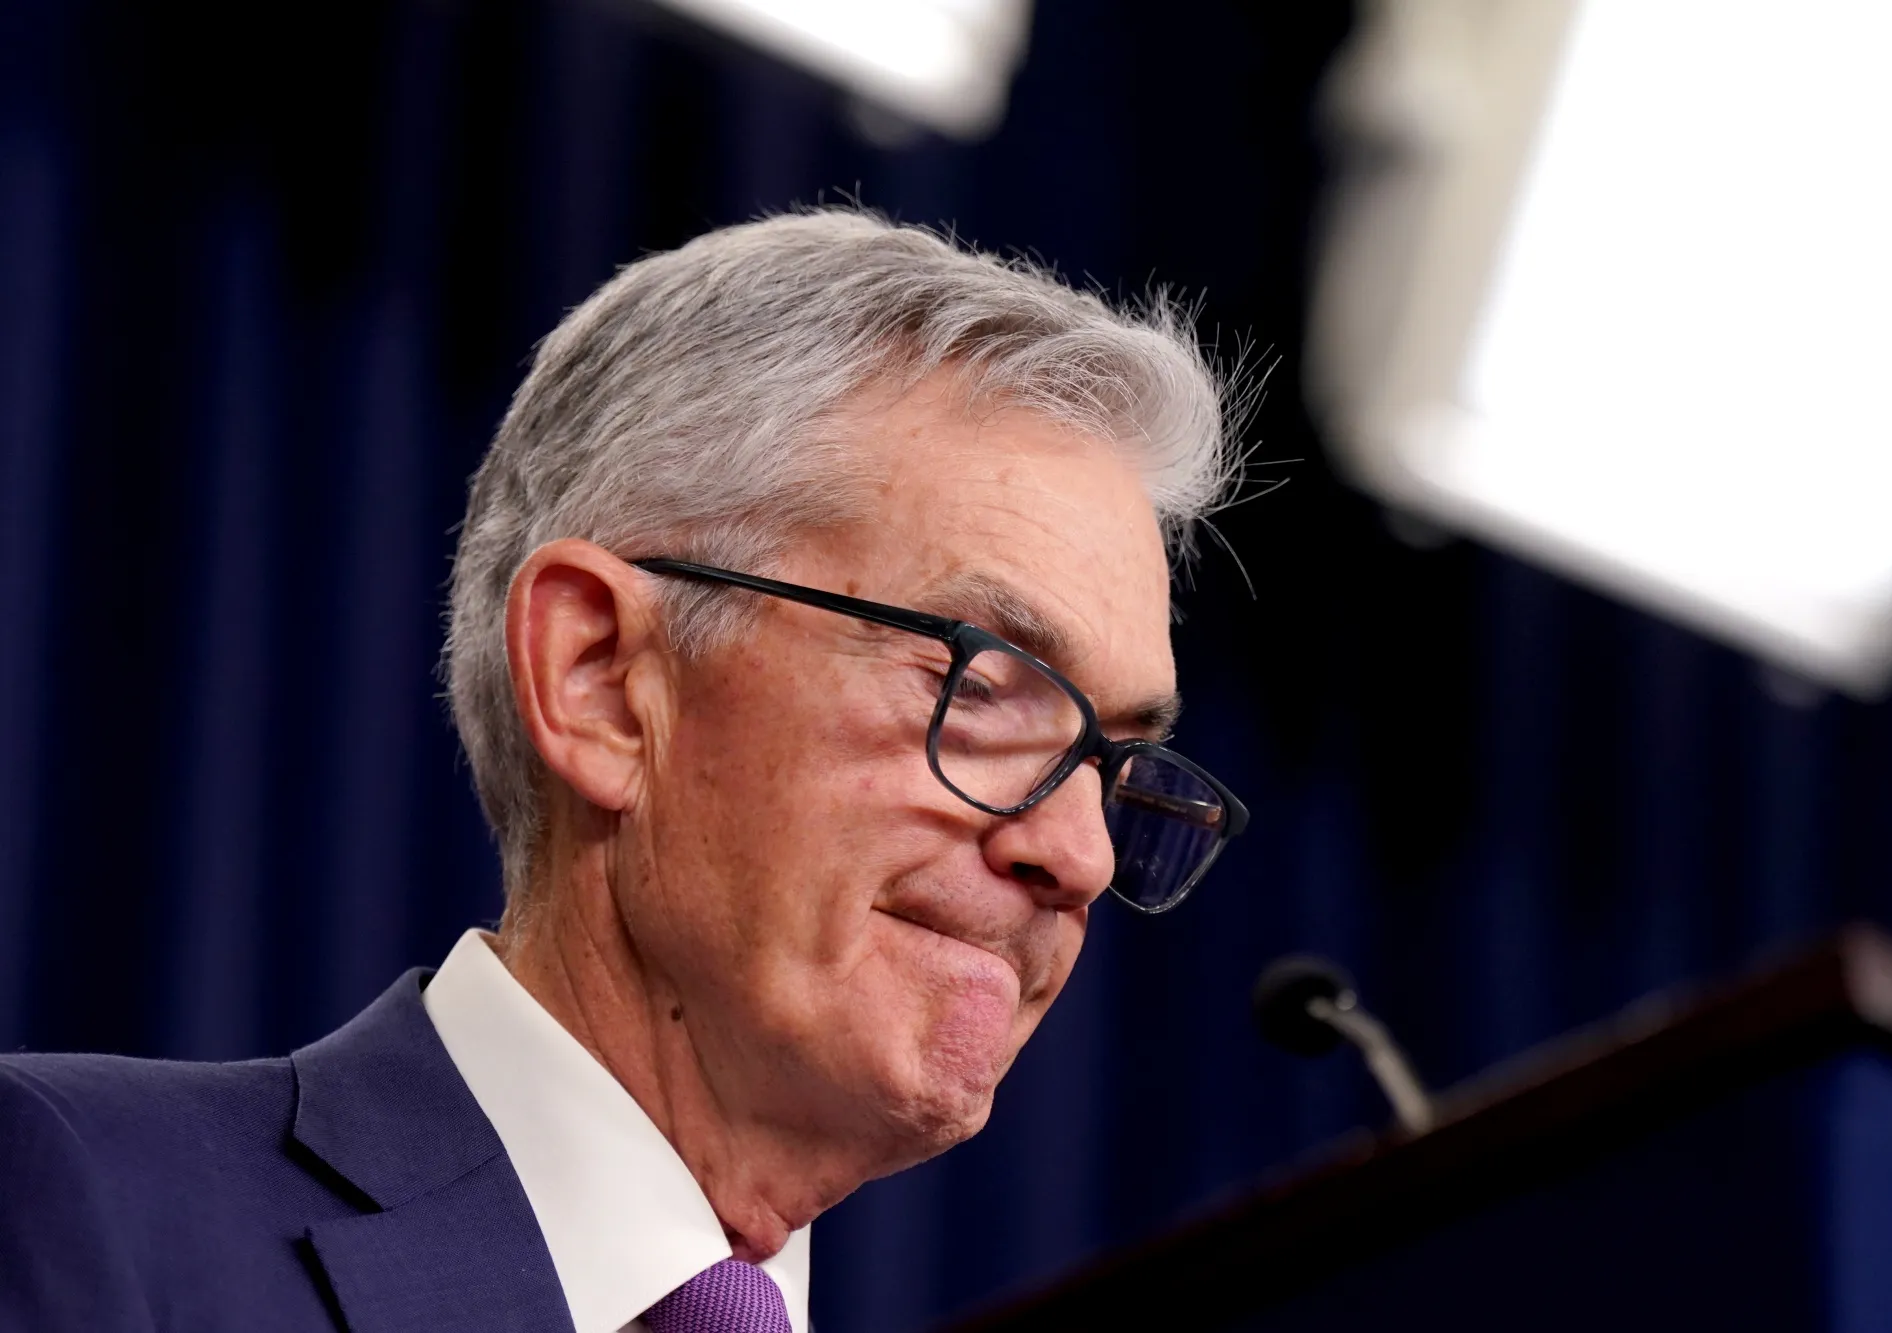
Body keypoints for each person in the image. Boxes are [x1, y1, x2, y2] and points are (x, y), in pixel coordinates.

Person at [0, 210, 1249, 1332]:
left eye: (1115, 758)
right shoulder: (75, 1210)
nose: (1079, 855)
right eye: (981, 690)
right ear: (600, 680)